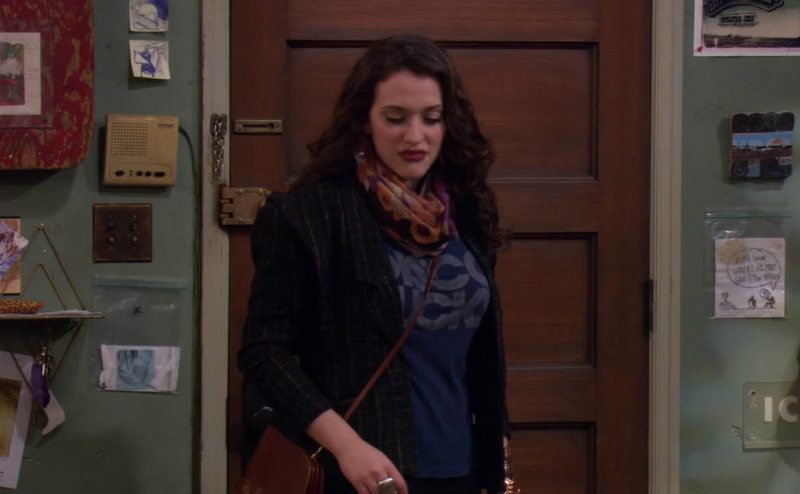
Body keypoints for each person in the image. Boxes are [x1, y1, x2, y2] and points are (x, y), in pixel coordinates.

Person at [238, 34, 509, 494]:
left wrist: (496, 440)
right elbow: (265, 353)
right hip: (361, 470)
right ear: (364, 120)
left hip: (461, 467)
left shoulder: (464, 210)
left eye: (431, 118)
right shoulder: (310, 216)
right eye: (395, 118)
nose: (415, 136)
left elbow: (480, 352)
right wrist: (348, 447)